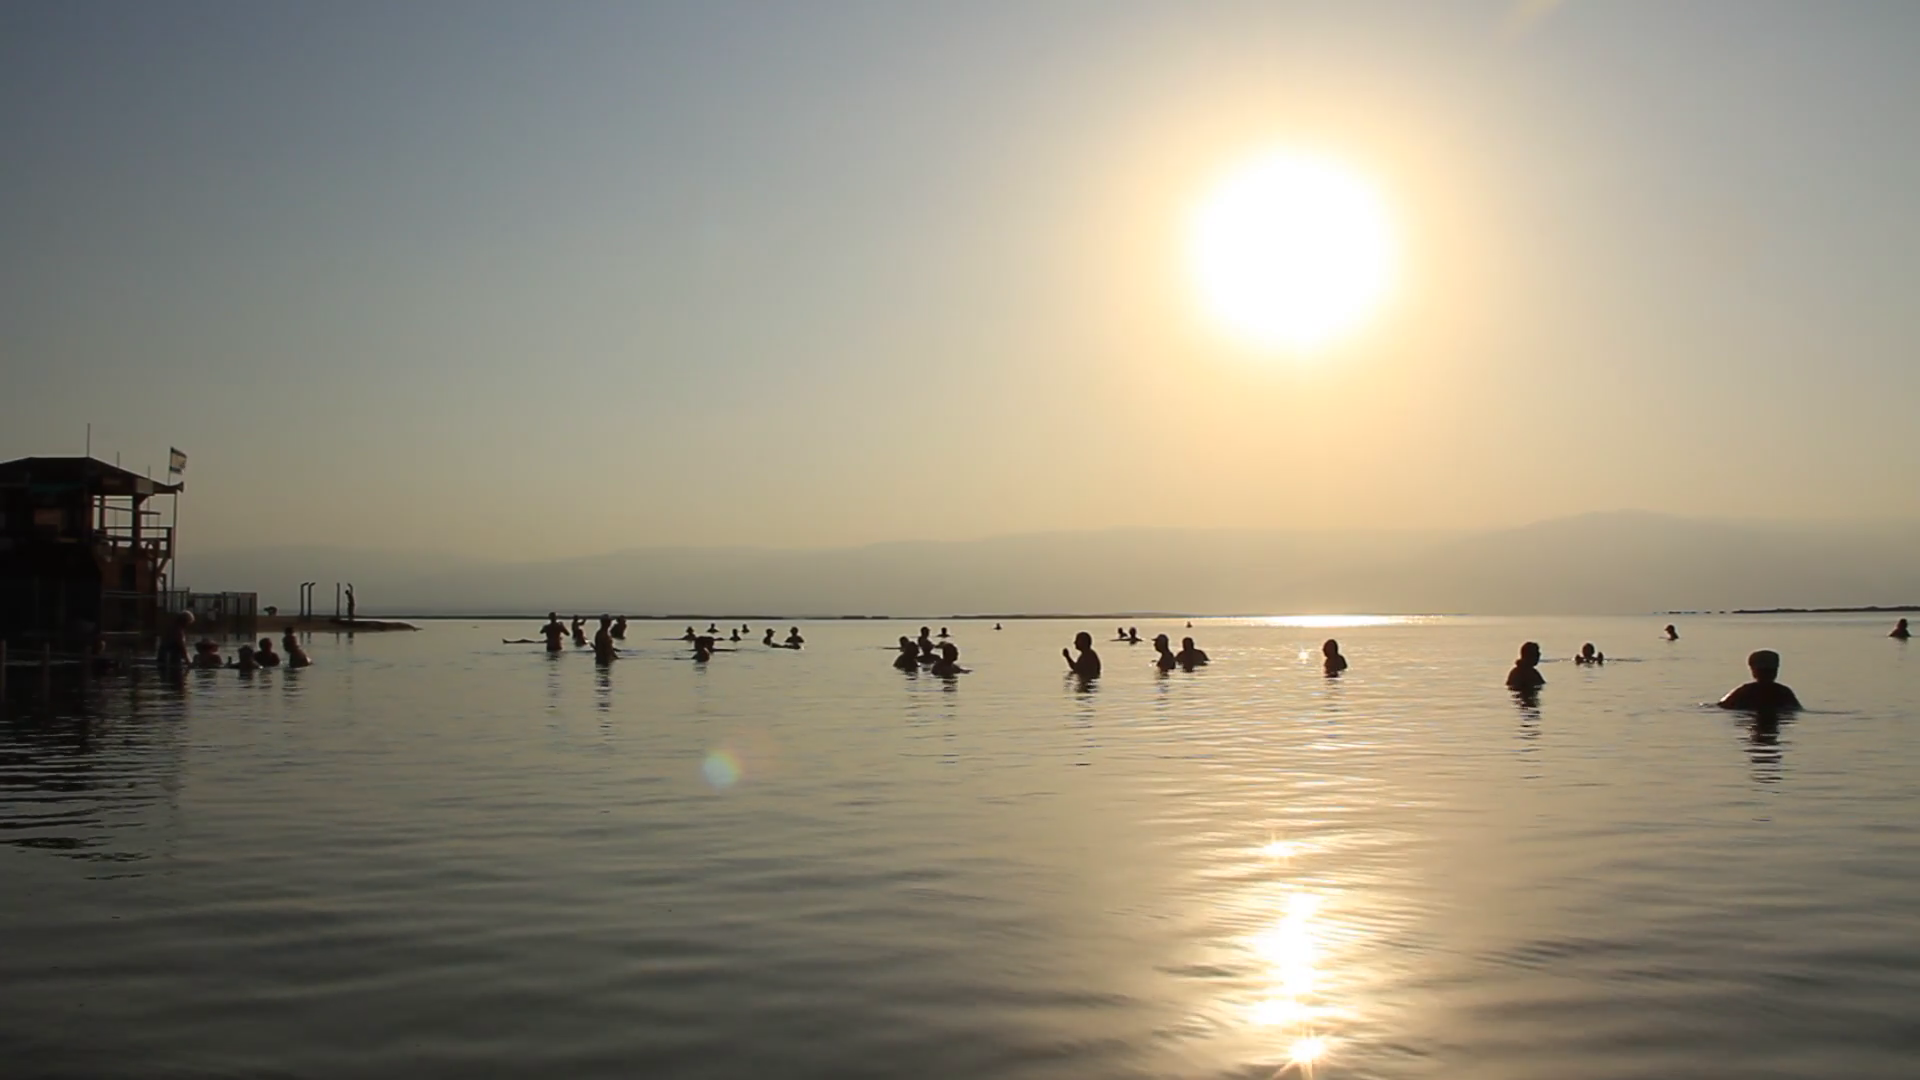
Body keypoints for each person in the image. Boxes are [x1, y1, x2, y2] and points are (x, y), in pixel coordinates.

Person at [1719, 650, 1801, 712]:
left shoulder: (1744, 691)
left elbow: (1724, 706)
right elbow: (1795, 710)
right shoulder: (1784, 692)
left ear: (1753, 670)